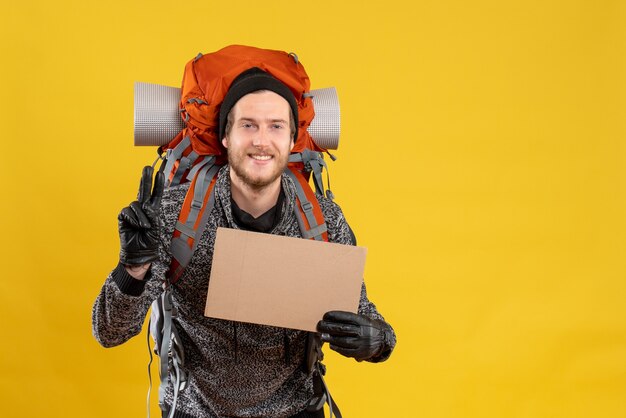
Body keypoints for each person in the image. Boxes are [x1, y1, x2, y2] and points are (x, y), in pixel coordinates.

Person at [92, 66, 396, 418]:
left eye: (276, 126)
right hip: (196, 410)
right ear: (226, 137)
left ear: (292, 138)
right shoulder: (176, 216)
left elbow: (363, 315)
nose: (261, 140)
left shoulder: (320, 221)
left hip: (295, 409)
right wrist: (133, 267)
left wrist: (379, 340)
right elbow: (108, 331)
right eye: (248, 125)